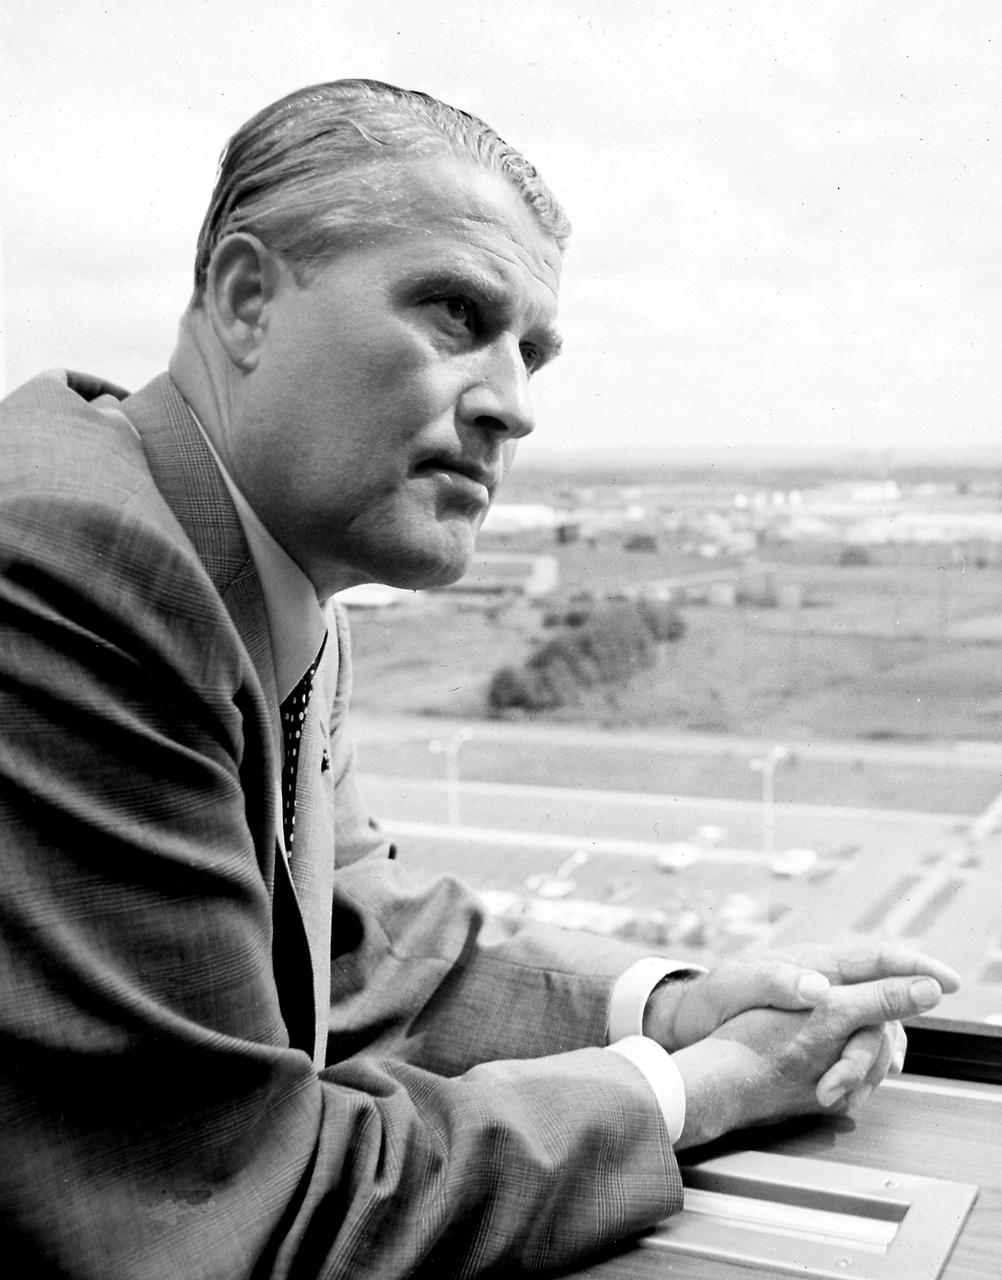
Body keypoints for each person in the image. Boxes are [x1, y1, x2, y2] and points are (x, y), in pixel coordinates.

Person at [0, 79, 960, 1279]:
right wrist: (695, 1089)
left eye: (535, 352)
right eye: (456, 313)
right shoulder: (71, 570)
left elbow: (366, 947)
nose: (514, 404)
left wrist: (671, 1007)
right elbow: (236, 1211)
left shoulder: (266, 561)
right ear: (247, 300)